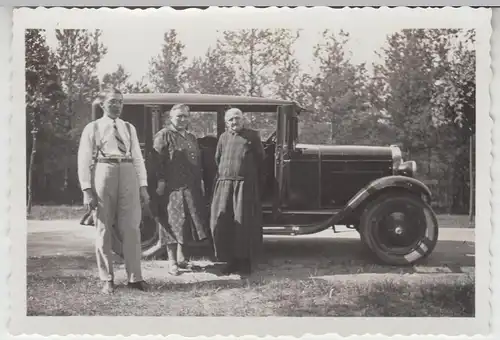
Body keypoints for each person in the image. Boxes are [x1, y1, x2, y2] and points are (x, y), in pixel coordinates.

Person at [77, 87, 150, 294]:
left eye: (120, 102)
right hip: (104, 169)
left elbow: (137, 157)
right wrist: (86, 189)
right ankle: (107, 278)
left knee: (132, 227)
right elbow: (83, 159)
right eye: (112, 102)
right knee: (103, 226)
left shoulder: (128, 127)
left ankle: (135, 277)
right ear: (103, 105)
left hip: (127, 171)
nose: (117, 106)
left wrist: (143, 185)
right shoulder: (93, 128)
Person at [153, 104, 209, 275]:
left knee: (186, 222)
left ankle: (182, 259)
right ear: (171, 118)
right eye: (179, 116)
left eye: (185, 116)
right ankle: (172, 263)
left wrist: (199, 182)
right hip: (172, 187)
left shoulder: (192, 137)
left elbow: (197, 163)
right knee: (172, 223)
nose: (183, 119)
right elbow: (156, 161)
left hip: (191, 186)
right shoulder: (164, 135)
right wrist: (161, 181)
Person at [209, 108, 265, 276]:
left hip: (244, 186)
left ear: (243, 119)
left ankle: (245, 262)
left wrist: (252, 183)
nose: (235, 122)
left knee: (244, 222)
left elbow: (261, 160)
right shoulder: (223, 138)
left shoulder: (253, 136)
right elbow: (217, 159)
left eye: (238, 118)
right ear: (227, 122)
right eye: (231, 119)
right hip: (224, 184)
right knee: (224, 221)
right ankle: (230, 261)